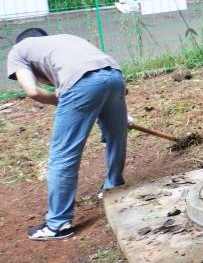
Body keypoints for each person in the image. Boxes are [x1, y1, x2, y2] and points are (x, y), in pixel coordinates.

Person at [7, 29, 128, 240]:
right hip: (114, 75)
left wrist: (68, 101)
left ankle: (58, 224)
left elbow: (32, 91)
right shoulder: (65, 40)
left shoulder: (18, 50)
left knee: (63, 154)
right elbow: (99, 78)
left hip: (81, 84)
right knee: (116, 136)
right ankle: (114, 185)